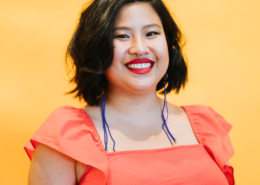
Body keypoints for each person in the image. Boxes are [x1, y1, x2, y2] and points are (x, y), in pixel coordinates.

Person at [24, 0, 236, 184]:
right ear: (96, 49)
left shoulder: (206, 126)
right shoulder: (66, 137)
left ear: (169, 44)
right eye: (122, 36)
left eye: (151, 33)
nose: (140, 48)